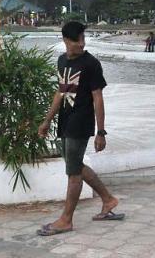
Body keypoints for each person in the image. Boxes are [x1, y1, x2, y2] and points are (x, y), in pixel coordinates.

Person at [36, 21, 123, 236]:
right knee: (74, 164)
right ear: (66, 40)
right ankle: (109, 200)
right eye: (77, 40)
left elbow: (98, 97)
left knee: (73, 171)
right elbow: (61, 93)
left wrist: (101, 132)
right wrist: (47, 120)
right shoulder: (62, 60)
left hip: (81, 121)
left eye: (83, 38)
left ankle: (66, 220)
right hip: (65, 119)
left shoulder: (91, 64)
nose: (82, 44)